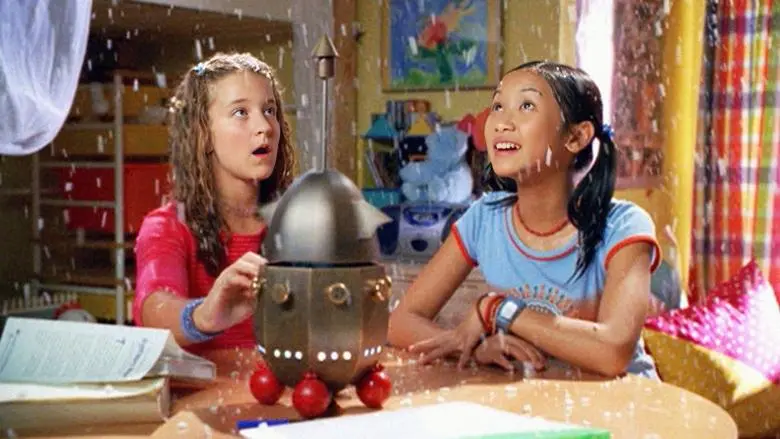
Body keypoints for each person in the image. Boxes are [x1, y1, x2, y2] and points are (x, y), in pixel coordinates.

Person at [387, 61, 661, 379]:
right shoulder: (485, 218)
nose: (501, 123)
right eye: (498, 106)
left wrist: (498, 309)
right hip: (533, 399)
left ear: (576, 136)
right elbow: (401, 322)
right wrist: (474, 348)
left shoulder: (623, 226)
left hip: (622, 402)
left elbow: (612, 353)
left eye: (526, 106)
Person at [132, 52, 296, 356]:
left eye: (269, 110)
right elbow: (154, 309)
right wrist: (204, 316)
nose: (265, 126)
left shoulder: (299, 222)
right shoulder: (166, 228)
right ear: (203, 133)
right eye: (240, 112)